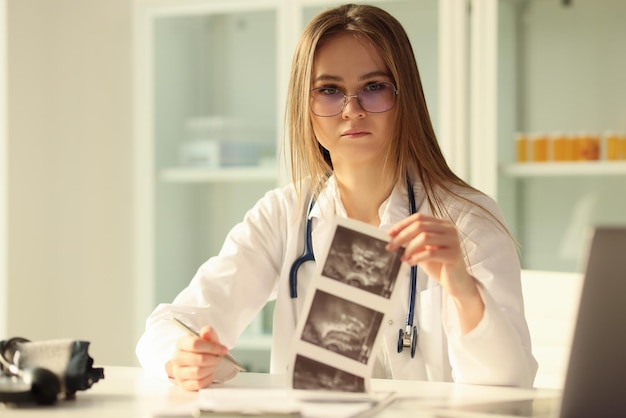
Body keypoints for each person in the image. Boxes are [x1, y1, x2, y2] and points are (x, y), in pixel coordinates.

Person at [136, 3, 538, 391]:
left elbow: (510, 383)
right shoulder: (283, 215)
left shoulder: (466, 219)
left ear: (406, 99)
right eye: (329, 90)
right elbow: (168, 325)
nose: (352, 109)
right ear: (305, 107)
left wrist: (461, 286)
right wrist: (181, 355)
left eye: (374, 87)